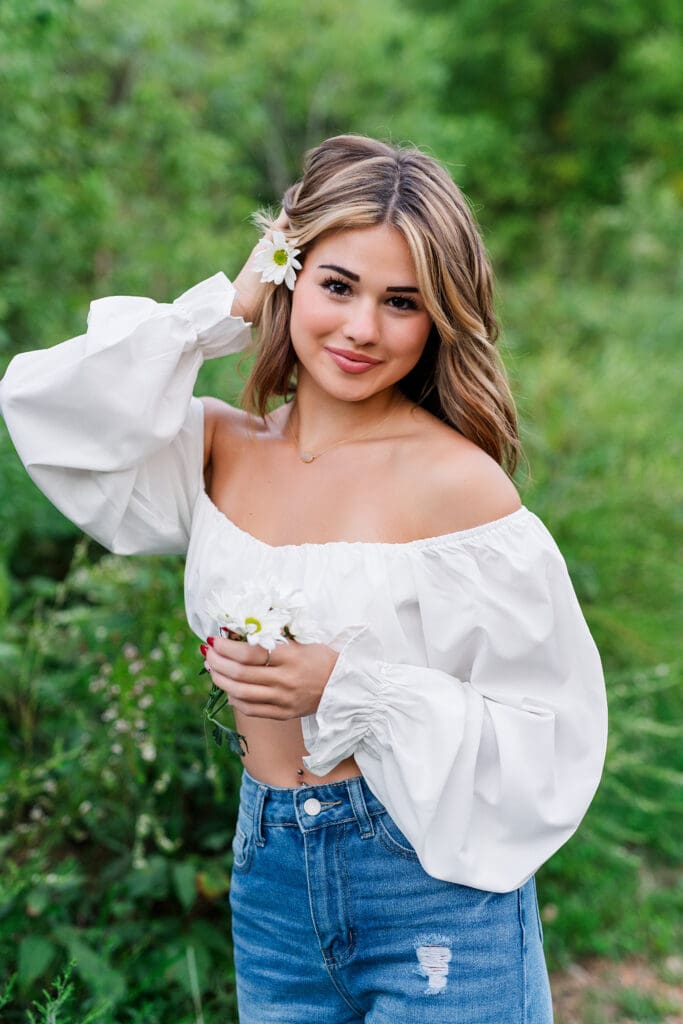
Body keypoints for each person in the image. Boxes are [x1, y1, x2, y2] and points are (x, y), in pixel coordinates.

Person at [0, 134, 607, 1023]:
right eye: (336, 285)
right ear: (287, 273)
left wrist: (345, 684)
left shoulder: (458, 484)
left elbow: (549, 734)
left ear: (439, 318)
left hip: (429, 888)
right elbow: (50, 408)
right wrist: (226, 311)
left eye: (401, 302)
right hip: (271, 876)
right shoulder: (217, 447)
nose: (362, 329)